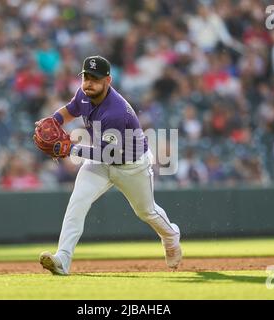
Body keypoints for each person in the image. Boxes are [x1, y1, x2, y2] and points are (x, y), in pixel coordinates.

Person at [38, 56, 182, 275]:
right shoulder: (83, 94)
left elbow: (110, 154)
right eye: (86, 77)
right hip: (99, 158)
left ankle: (171, 236)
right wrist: (54, 120)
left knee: (146, 212)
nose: (89, 83)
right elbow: (72, 108)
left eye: (95, 79)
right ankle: (62, 260)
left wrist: (70, 150)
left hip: (131, 165)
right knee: (77, 203)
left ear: (108, 80)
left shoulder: (115, 111)